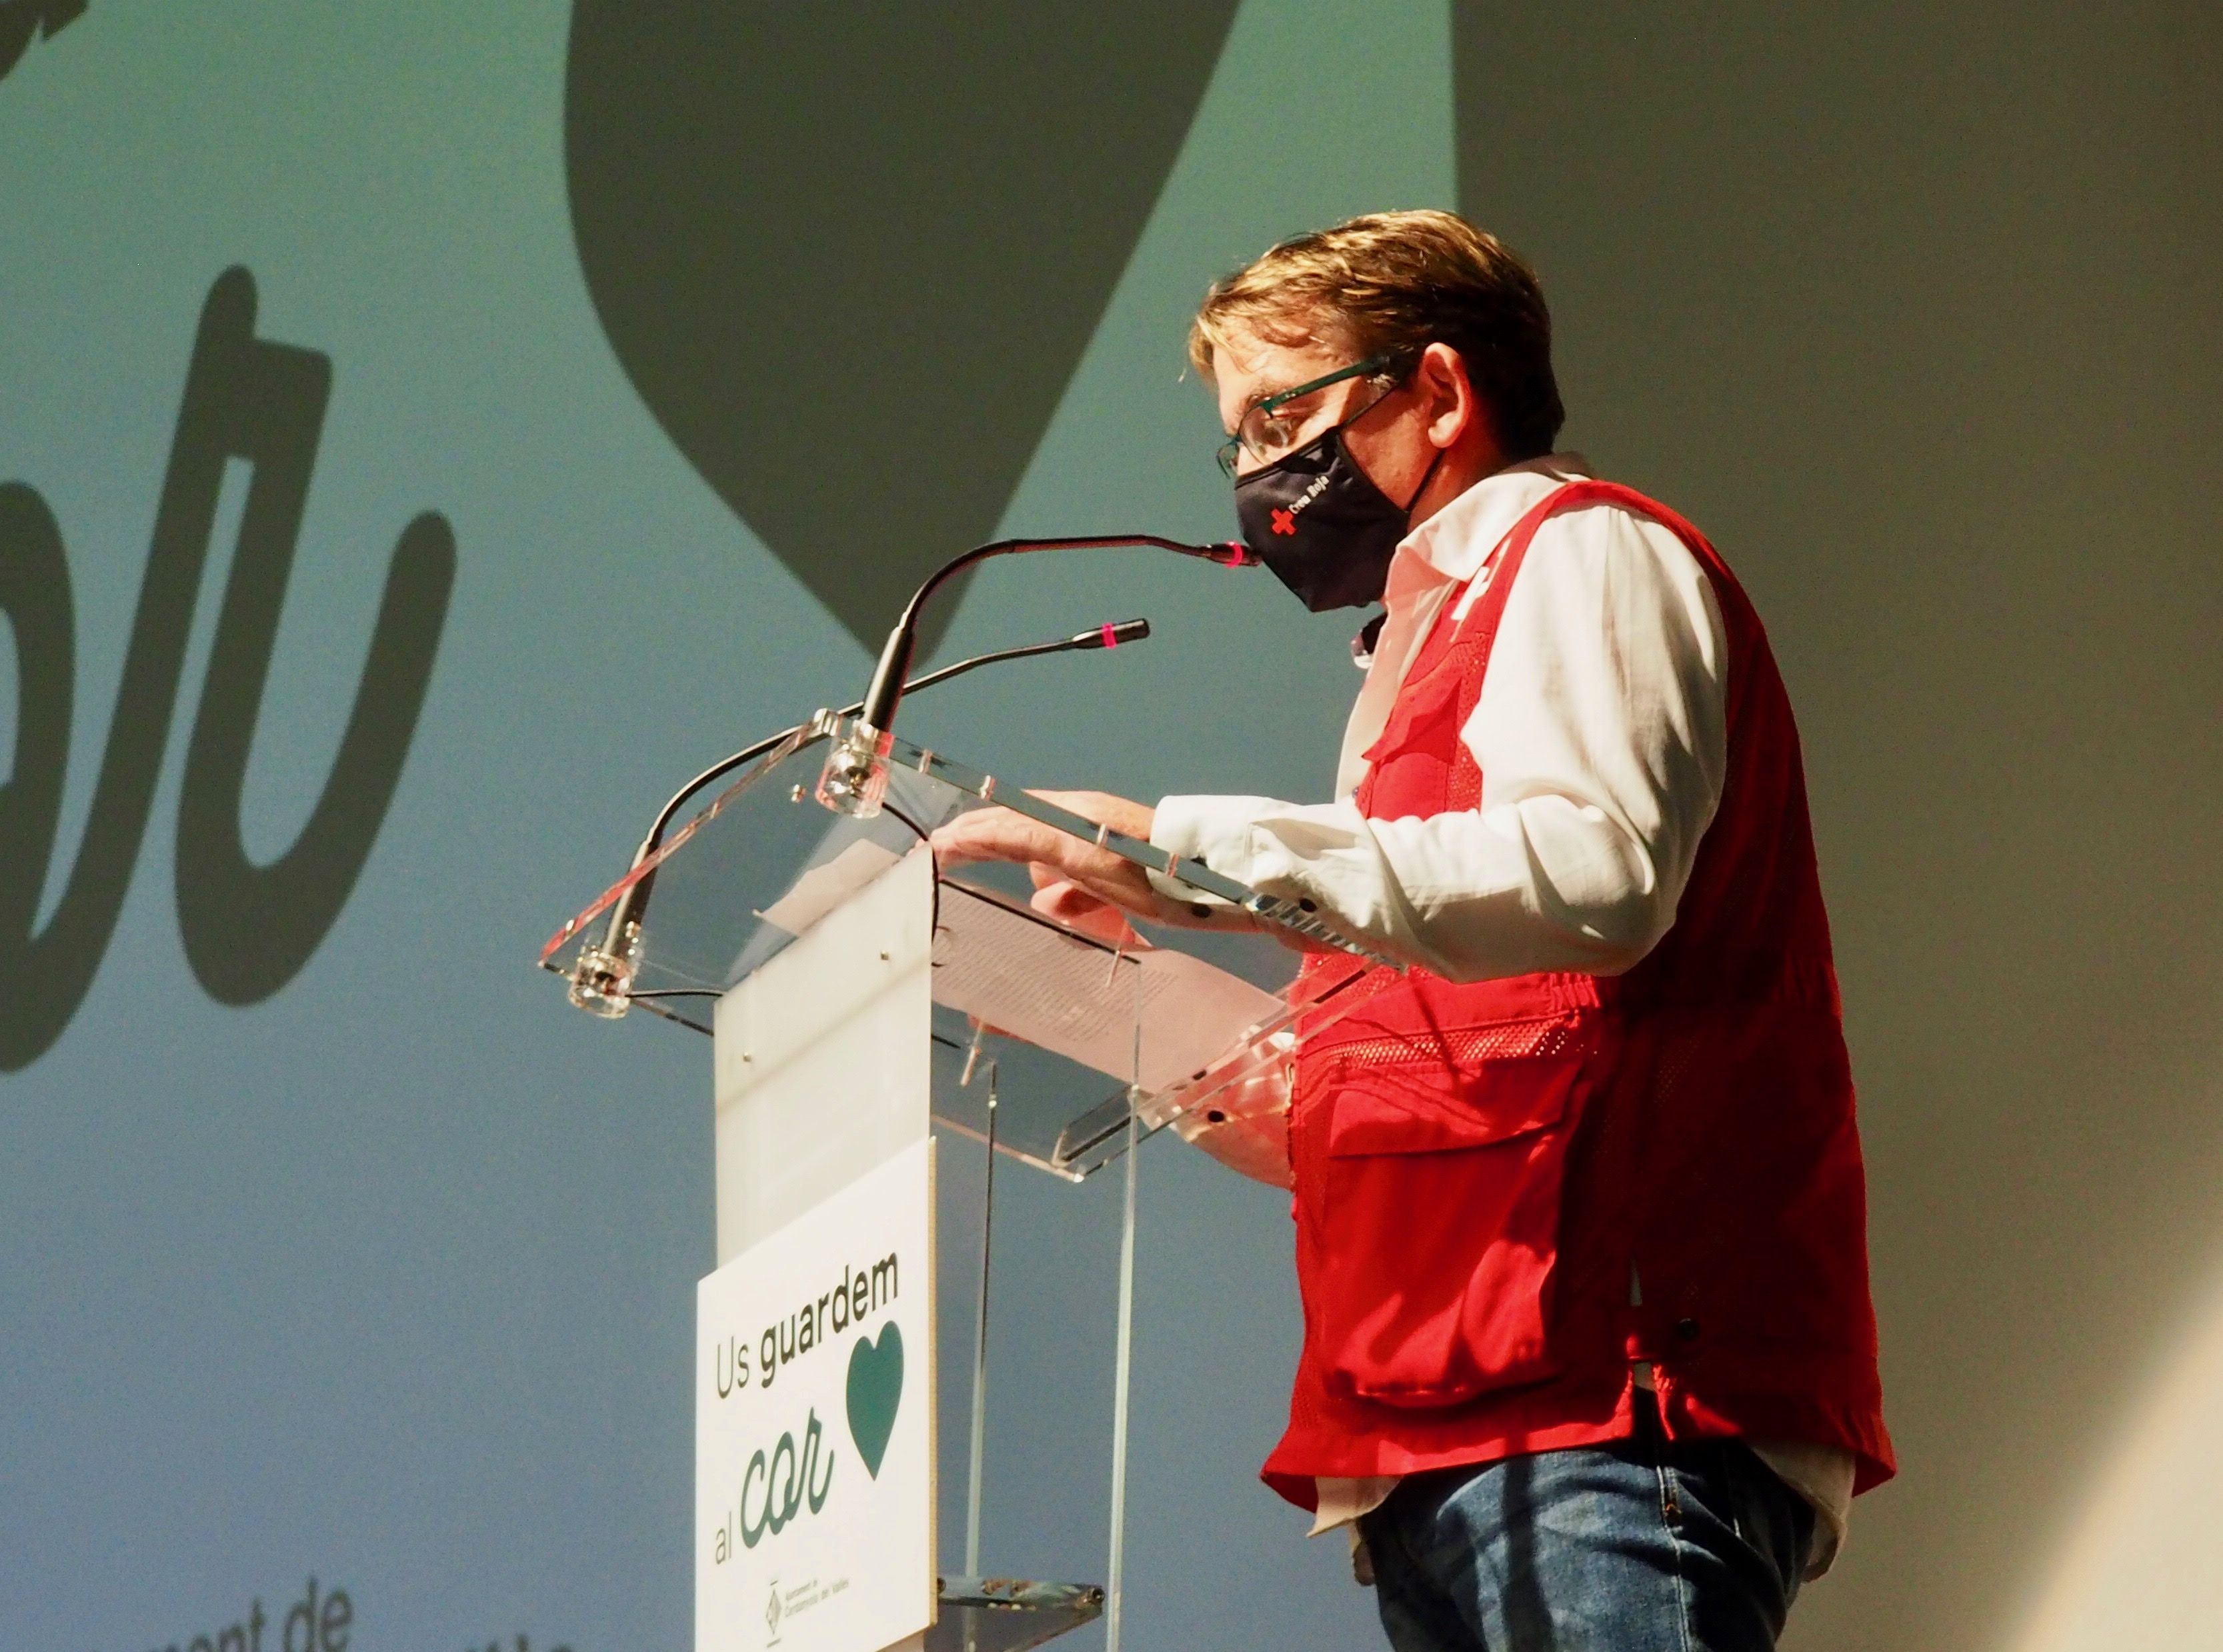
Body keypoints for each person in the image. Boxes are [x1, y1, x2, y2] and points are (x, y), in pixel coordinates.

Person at [930, 209, 1892, 1652]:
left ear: (1438, 390)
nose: (1257, 469)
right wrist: (1098, 994)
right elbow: (1379, 1094)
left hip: (1614, 1405)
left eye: (1282, 411)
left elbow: (1601, 876)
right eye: (1233, 435)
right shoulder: (1410, 658)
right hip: (1439, 1437)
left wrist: (1175, 852)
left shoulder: (1584, 556)